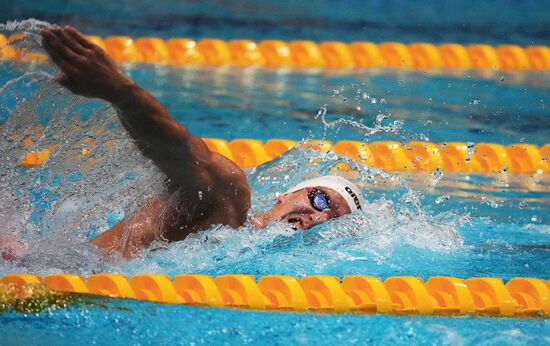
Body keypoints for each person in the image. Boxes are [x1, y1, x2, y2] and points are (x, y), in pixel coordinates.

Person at [38, 25, 366, 258]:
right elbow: (181, 150)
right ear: (287, 194)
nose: (319, 217)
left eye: (332, 220)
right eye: (321, 200)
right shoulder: (229, 197)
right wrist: (121, 94)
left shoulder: (244, 253)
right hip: (56, 276)